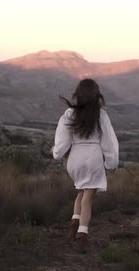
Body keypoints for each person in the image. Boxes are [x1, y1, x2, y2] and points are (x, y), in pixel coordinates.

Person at [52, 78, 119, 253]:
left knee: (81, 191)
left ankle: (74, 223)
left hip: (75, 159)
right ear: (97, 95)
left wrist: (57, 154)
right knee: (88, 197)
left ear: (78, 95)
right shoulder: (101, 115)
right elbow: (109, 142)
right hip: (93, 158)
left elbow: (62, 140)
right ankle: (82, 234)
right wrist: (111, 163)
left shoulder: (69, 114)